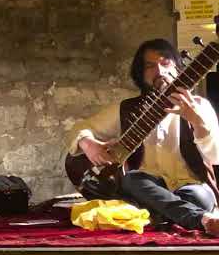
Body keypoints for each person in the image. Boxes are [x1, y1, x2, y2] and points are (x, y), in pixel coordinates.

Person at [67, 38, 219, 236]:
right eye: (149, 65)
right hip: (146, 186)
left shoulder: (199, 106)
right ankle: (202, 220)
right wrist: (88, 144)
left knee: (200, 197)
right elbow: (80, 128)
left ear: (178, 67)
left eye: (165, 63)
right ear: (140, 73)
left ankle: (160, 215)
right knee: (132, 180)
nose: (159, 70)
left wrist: (197, 122)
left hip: (188, 186)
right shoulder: (126, 109)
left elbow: (215, 156)